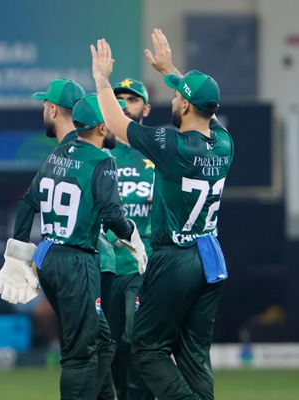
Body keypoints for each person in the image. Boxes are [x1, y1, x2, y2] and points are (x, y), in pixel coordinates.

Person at [91, 30, 233, 400]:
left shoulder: (172, 146)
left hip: (174, 257)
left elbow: (117, 125)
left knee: (145, 348)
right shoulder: (224, 143)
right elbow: (203, 105)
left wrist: (102, 80)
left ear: (184, 107)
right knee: (193, 355)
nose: (173, 100)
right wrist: (171, 71)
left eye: (176, 97)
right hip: (210, 256)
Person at [0, 92, 147, 399]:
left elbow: (27, 203)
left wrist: (17, 255)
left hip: (50, 257)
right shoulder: (102, 160)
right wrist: (132, 235)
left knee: (103, 344)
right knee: (80, 355)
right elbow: (112, 214)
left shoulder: (56, 156)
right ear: (102, 127)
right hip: (77, 261)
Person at [98, 78, 155, 400]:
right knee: (113, 344)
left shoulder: (158, 153)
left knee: (137, 338)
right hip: (107, 264)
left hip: (142, 264)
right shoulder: (102, 152)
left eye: (132, 99)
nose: (123, 104)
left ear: (146, 109)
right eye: (118, 98)